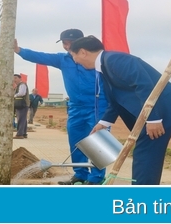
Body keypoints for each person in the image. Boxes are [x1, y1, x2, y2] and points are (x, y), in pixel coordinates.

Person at [69, 35, 171, 185]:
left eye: (73, 56)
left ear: (82, 52)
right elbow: (115, 99)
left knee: (145, 154)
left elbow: (144, 85)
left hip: (163, 111)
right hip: (154, 113)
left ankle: (141, 196)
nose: (75, 61)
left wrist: (153, 118)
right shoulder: (105, 66)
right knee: (146, 153)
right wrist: (103, 123)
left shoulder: (115, 60)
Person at [14, 29, 108, 185]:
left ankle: (97, 177)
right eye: (65, 43)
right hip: (76, 108)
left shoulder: (98, 58)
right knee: (76, 141)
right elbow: (40, 56)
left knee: (97, 141)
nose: (67, 46)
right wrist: (18, 50)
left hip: (98, 105)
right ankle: (80, 174)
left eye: (71, 43)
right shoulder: (62, 59)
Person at [13, 74, 30, 139]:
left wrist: (14, 95)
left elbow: (22, 93)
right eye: (13, 78)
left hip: (22, 104)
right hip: (22, 105)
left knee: (21, 119)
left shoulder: (22, 84)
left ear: (20, 78)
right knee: (23, 119)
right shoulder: (18, 86)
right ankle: (24, 133)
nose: (14, 80)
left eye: (16, 78)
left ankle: (19, 134)